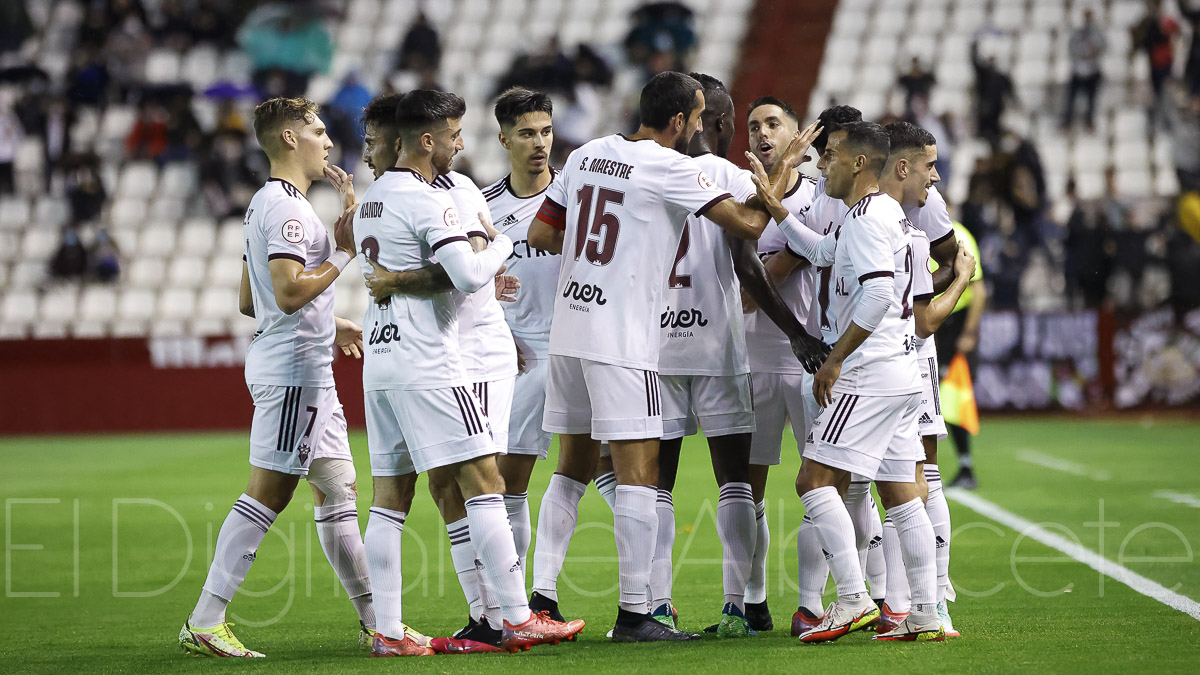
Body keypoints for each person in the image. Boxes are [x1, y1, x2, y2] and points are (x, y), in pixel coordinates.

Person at [526, 71, 819, 642]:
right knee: (674, 478)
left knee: (574, 467)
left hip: (576, 331)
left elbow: (541, 235)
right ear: (689, 120)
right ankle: (670, 611)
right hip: (648, 340)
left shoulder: (586, 153)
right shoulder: (693, 170)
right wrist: (786, 171)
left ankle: (546, 598)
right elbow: (752, 235)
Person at [351, 89, 581, 656]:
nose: (461, 144)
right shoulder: (430, 200)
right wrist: (502, 238)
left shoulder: (371, 203)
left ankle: (389, 630)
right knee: (486, 482)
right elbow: (470, 273)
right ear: (426, 141)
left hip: (383, 362)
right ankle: (516, 616)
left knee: (389, 498)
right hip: (432, 361)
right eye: (454, 135)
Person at [630, 74, 825, 639]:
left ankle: (656, 605)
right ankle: (739, 608)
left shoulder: (646, 170)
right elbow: (748, 263)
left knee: (657, 483)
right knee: (736, 482)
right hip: (718, 344)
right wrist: (795, 332)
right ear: (719, 123)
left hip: (657, 345)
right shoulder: (728, 177)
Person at [178, 97, 373, 658]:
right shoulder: (290, 212)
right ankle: (206, 619)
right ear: (289, 138)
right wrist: (342, 251)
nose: (328, 141)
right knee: (270, 492)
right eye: (317, 130)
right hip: (293, 373)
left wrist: (328, 320)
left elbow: (250, 300)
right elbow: (287, 293)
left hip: (306, 364)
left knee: (338, 490)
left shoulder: (266, 204)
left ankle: (376, 621)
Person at [751, 120, 944, 643]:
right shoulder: (881, 215)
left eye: (830, 155)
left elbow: (878, 295)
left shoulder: (866, 218)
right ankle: (928, 613)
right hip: (903, 374)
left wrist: (835, 359)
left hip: (869, 374)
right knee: (905, 494)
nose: (823, 165)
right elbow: (818, 252)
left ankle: (854, 598)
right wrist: (776, 209)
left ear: (859, 163)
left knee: (813, 482)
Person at [741, 101, 879, 638]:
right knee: (760, 486)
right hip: (769, 360)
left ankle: (836, 599)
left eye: (773, 123)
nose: (827, 161)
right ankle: (754, 603)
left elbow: (777, 268)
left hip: (827, 358)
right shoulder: (756, 191)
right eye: (755, 125)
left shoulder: (838, 203)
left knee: (839, 485)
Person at [875, 121, 976, 639]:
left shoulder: (925, 209)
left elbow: (955, 261)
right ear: (900, 163)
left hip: (908, 349)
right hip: (868, 350)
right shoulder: (855, 198)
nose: (937, 178)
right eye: (930, 165)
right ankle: (890, 600)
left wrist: (910, 289)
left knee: (918, 472)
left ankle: (932, 595)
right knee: (867, 481)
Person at [938, 222, 986, 489]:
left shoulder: (959, 235)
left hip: (955, 326)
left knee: (953, 398)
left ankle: (966, 465)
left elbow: (978, 288)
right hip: (936, 322)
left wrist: (969, 331)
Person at [1061, 9, 1107, 131]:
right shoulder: (1078, 33)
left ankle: (1089, 123)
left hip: (1092, 71)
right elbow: (1072, 48)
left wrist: (1094, 51)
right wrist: (1084, 52)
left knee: (1091, 100)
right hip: (1078, 71)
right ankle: (1067, 123)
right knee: (1070, 99)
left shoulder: (1097, 33)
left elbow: (1103, 48)